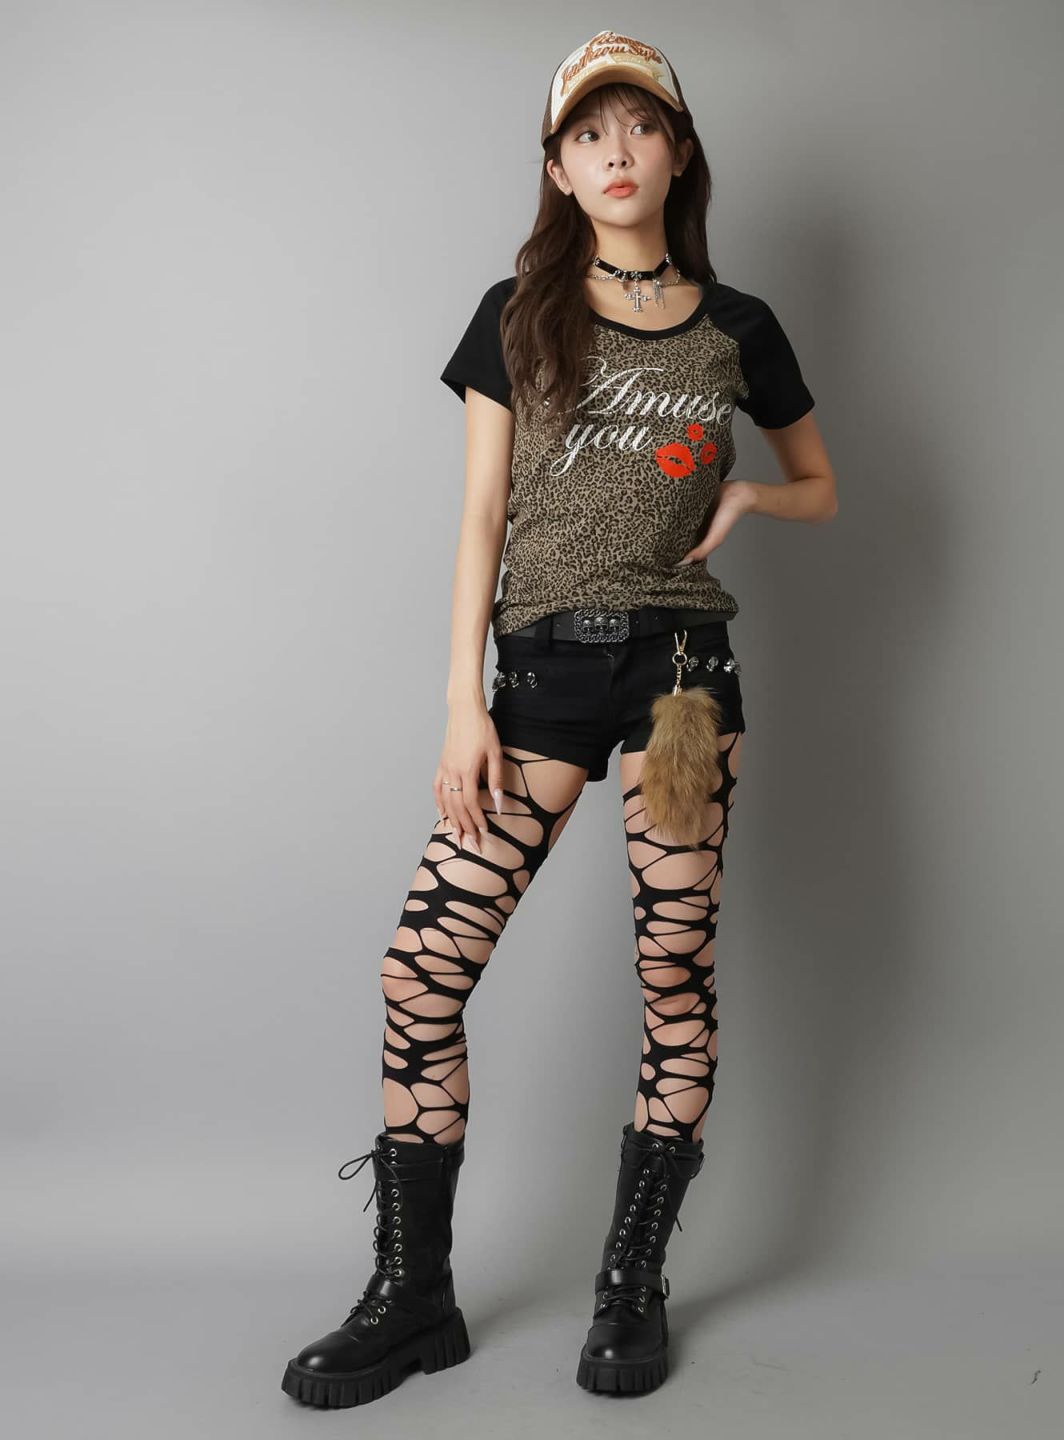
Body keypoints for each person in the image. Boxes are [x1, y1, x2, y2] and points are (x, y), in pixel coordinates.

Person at [281, 28, 837, 1409]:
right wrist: (459, 701)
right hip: (536, 678)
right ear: (559, 167)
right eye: (589, 133)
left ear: (679, 153)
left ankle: (630, 1286)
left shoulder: (739, 325)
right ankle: (414, 1296)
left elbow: (821, 483)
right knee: (422, 975)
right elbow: (481, 514)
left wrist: (753, 495)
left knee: (674, 978)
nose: (616, 152)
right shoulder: (518, 311)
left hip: (684, 682)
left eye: (639, 126)